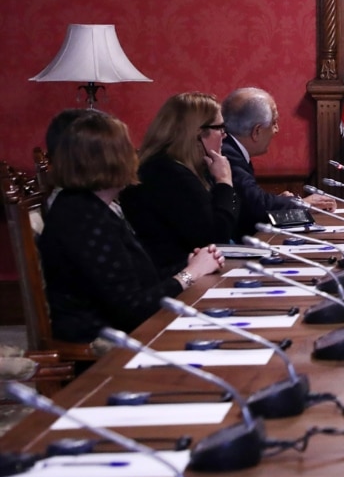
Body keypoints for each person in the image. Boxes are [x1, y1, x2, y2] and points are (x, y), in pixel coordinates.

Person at [38, 111, 224, 343]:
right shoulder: (84, 218)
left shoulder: (93, 208)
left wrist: (188, 265)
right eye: (127, 148)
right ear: (112, 160)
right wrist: (190, 274)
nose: (135, 154)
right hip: (107, 350)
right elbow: (133, 311)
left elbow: (138, 280)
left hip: (132, 333)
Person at [120, 92, 239, 274]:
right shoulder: (167, 174)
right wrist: (224, 182)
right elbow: (215, 239)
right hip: (170, 282)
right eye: (220, 128)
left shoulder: (176, 167)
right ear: (198, 134)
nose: (224, 135)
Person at [220, 87, 336, 238]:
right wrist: (300, 204)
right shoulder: (228, 154)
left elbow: (250, 201)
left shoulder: (231, 148)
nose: (277, 129)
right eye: (274, 123)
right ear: (257, 131)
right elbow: (256, 206)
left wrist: (281, 202)